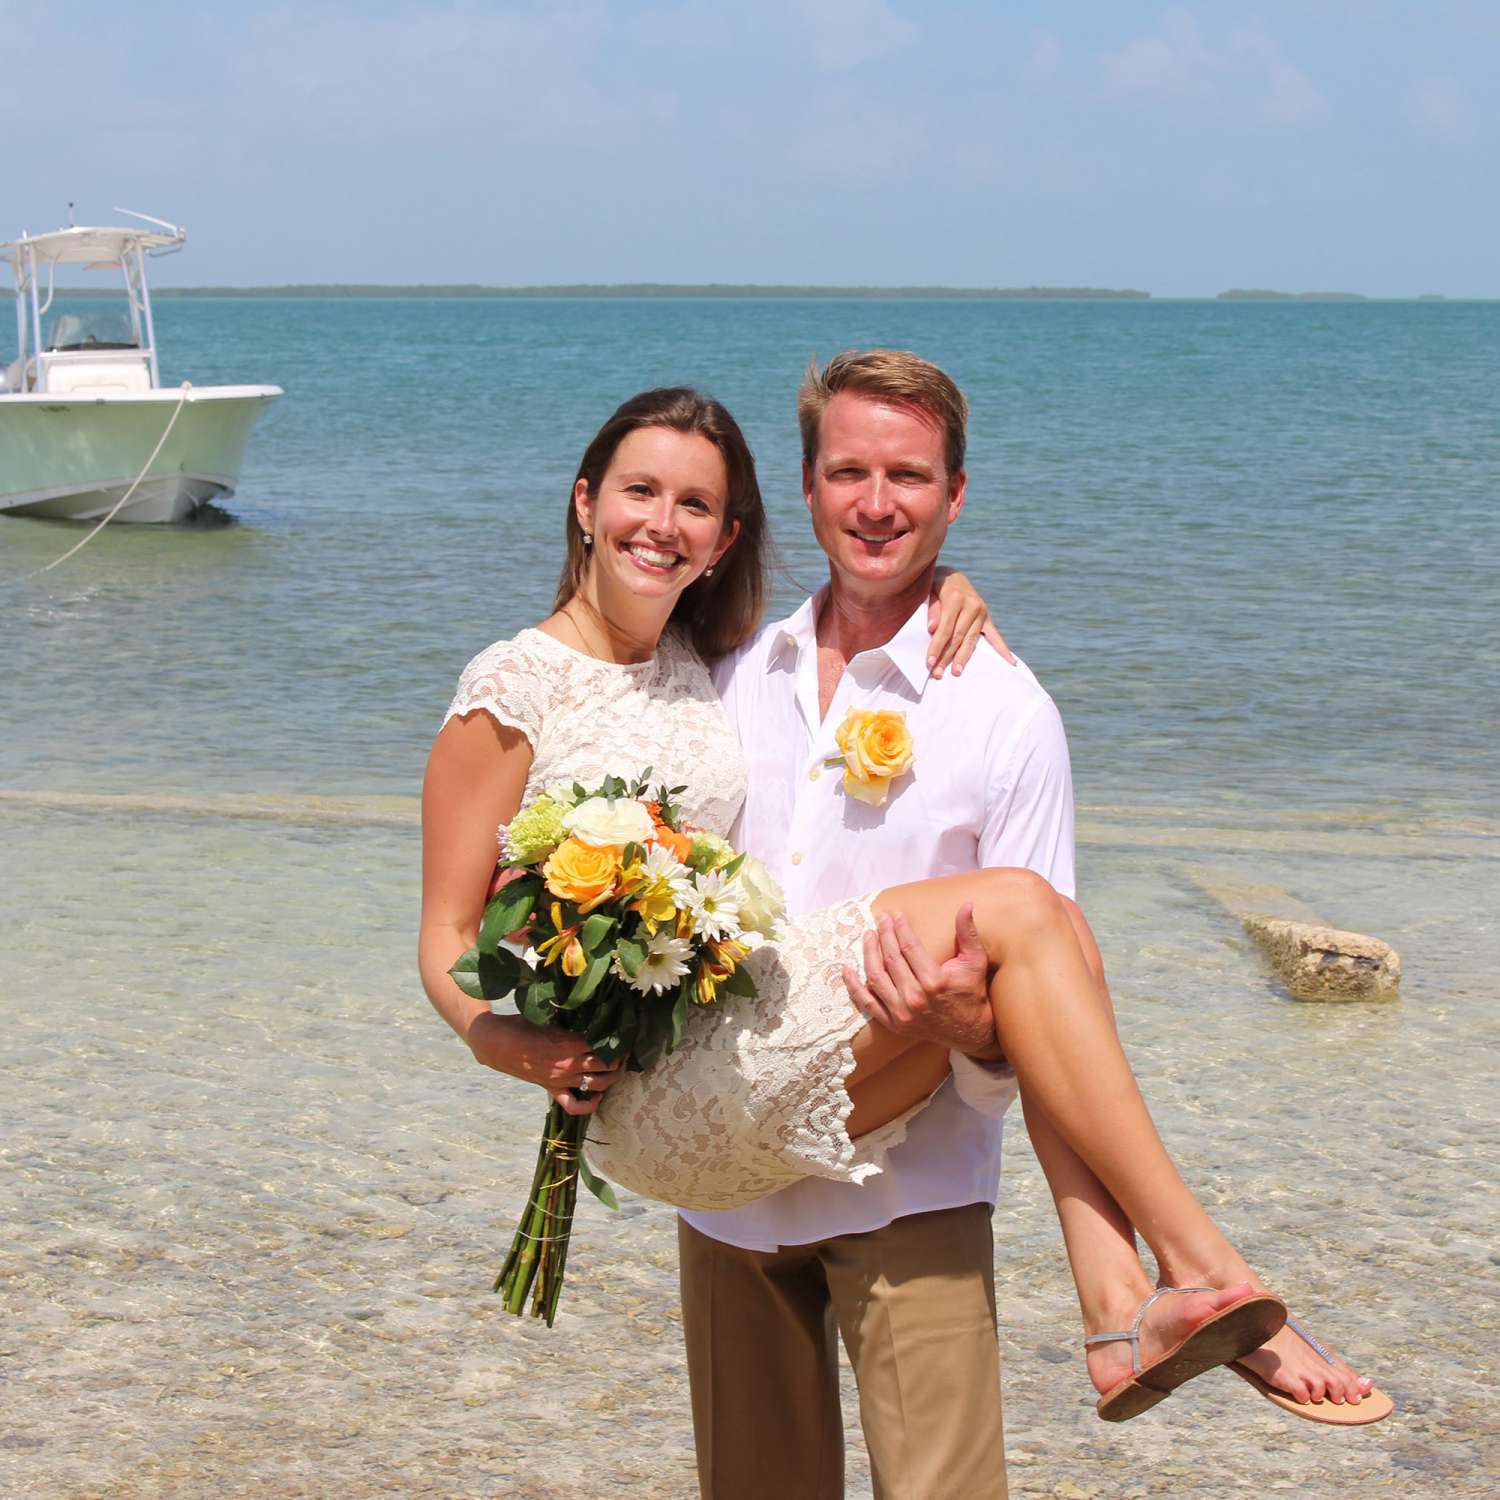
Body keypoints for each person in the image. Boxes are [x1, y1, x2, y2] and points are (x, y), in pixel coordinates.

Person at [419, 380, 1386, 1498]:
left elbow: (1048, 1007)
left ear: (954, 497)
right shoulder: (730, 665)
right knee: (1028, 910)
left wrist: (966, 1024)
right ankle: (1159, 1283)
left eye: (909, 479)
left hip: (904, 1176)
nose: (876, 504)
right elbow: (456, 932)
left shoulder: (987, 702)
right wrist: (516, 1041)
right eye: (849, 475)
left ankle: (1149, 1289)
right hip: (703, 1137)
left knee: (1047, 923)